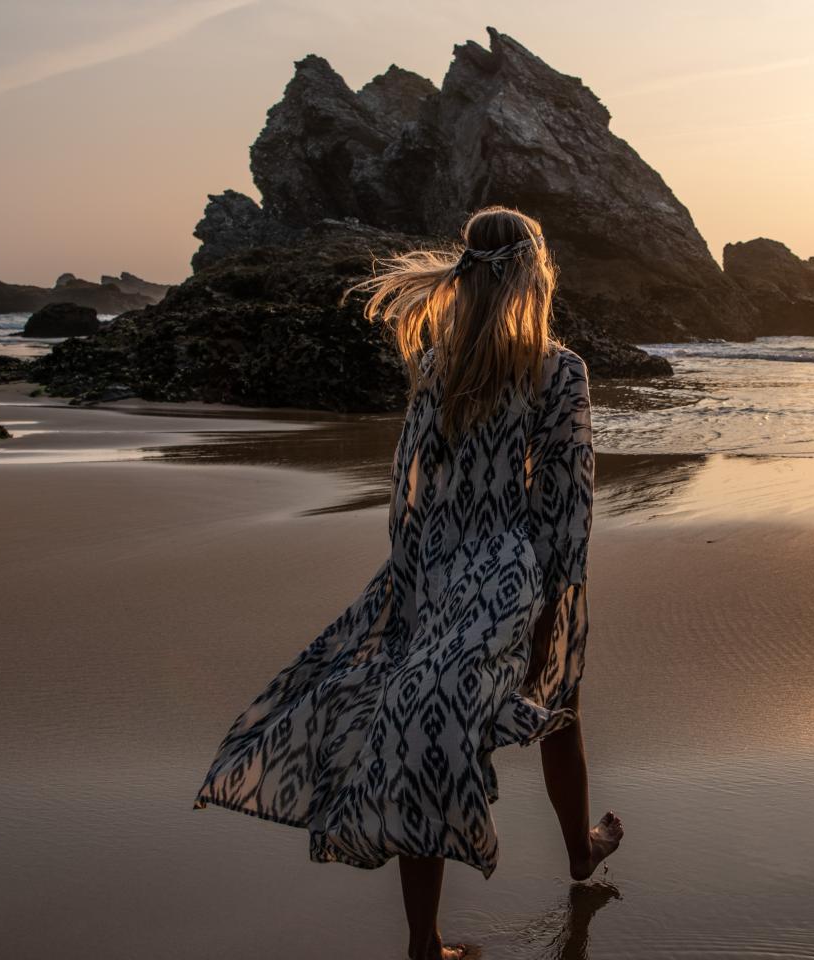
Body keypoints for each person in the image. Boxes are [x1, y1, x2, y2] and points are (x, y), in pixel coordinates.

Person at [194, 206, 623, 959]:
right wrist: (553, 610)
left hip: (432, 569)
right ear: (534, 273)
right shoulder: (559, 370)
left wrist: (406, 585)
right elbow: (566, 503)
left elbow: (410, 487)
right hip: (508, 572)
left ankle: (425, 939)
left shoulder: (434, 364)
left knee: (422, 725)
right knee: (555, 703)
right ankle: (578, 853)